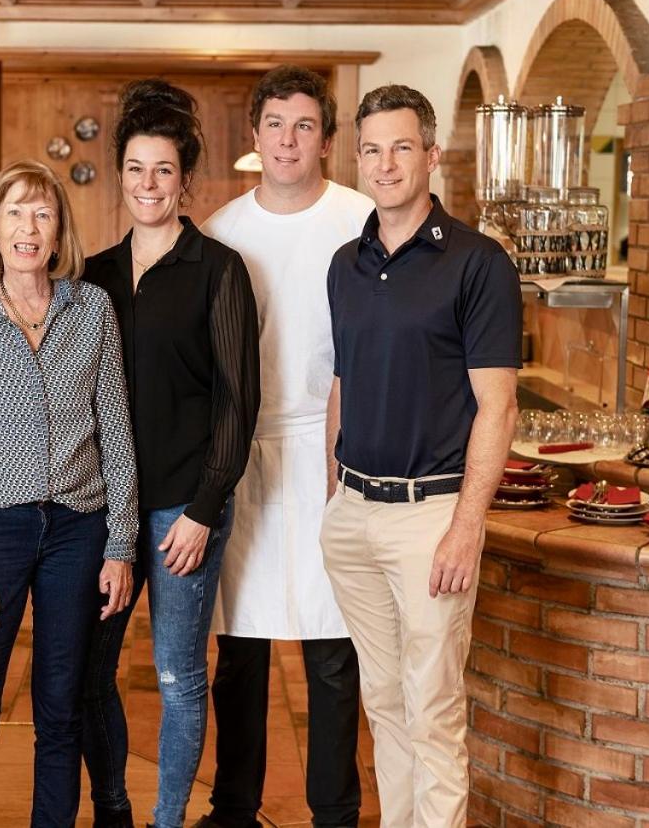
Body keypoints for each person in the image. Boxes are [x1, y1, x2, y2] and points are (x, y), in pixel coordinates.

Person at [321, 85, 520, 828]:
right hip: (355, 514)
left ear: (431, 155)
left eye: (402, 147)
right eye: (372, 149)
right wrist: (334, 497)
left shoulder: (478, 263)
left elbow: (499, 407)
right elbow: (342, 383)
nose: (386, 163)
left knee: (432, 710)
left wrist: (467, 527)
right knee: (383, 702)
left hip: (430, 517)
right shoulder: (345, 264)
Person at [0, 159, 139, 828]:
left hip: (78, 532)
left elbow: (117, 433)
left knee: (60, 711)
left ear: (57, 235)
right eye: (15, 213)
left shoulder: (93, 309)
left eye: (42, 214)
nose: (28, 227)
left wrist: (121, 545)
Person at [82, 80, 261, 828]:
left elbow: (237, 402)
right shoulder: (91, 275)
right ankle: (115, 810)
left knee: (178, 676)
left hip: (184, 508)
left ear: (185, 181)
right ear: (120, 176)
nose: (148, 184)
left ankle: (167, 822)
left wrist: (203, 510)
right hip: (103, 512)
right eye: (135, 168)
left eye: (163, 170)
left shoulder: (219, 270)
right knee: (91, 673)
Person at [197, 65, 370, 828]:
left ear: (327, 139)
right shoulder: (222, 232)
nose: (288, 140)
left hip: (339, 451)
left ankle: (335, 812)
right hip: (248, 455)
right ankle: (234, 809)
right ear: (255, 135)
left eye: (304, 126)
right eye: (275, 125)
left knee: (334, 651)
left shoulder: (363, 220)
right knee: (240, 651)